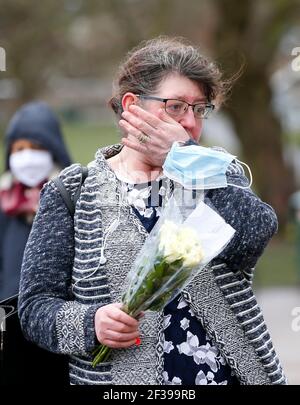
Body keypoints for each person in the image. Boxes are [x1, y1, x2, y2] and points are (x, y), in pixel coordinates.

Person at [18, 37, 287, 385]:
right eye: (176, 106)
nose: (189, 123)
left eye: (199, 108)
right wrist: (92, 322)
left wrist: (186, 162)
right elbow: (36, 307)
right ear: (132, 106)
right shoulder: (73, 192)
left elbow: (257, 233)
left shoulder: (217, 173)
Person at [0, 101, 71, 384]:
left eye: (37, 148)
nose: (28, 157)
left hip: (55, 322)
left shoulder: (71, 198)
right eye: (20, 149)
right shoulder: (4, 201)